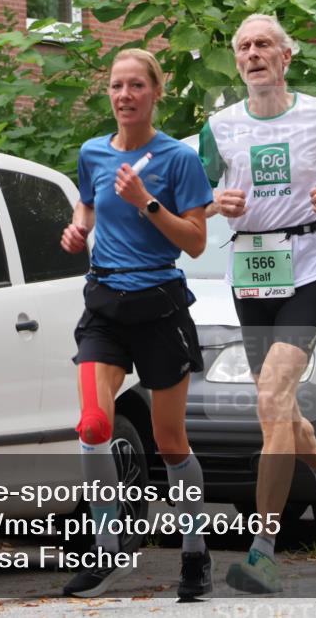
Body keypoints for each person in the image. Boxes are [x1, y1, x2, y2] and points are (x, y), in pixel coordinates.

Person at [199, 14, 316, 594]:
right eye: (244, 46)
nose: (253, 54)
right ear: (237, 60)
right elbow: (194, 200)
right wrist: (210, 202)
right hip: (250, 272)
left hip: (308, 268)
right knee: (274, 408)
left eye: (264, 45)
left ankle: (263, 551)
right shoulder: (219, 128)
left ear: (286, 57)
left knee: (273, 395)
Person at [59, 48, 213, 599]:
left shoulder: (177, 160)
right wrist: (78, 231)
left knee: (169, 440)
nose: (124, 96)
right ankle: (108, 549)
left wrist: (147, 201)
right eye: (116, 86)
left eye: (136, 87)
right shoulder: (92, 153)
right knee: (93, 425)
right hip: (105, 303)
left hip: (159, 306)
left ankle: (195, 555)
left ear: (155, 92)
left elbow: (195, 242)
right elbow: (86, 207)